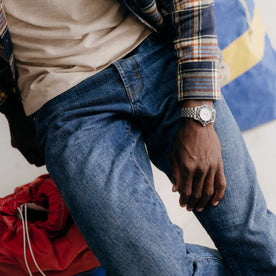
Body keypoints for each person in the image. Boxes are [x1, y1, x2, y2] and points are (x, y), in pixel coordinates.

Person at [0, 0, 275, 275]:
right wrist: (12, 111)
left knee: (257, 242)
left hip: (156, 49)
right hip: (62, 96)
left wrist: (198, 114)